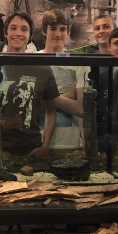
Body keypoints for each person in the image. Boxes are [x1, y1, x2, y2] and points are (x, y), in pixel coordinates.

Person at [0, 12, 59, 157]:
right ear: (5, 33)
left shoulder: (43, 69)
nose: (18, 33)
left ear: (30, 35)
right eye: (13, 28)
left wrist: (45, 146)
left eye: (24, 29)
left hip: (31, 150)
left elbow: (51, 111)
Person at [39, 9, 88, 152]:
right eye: (53, 29)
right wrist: (68, 96)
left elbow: (82, 109)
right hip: (35, 141)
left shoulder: (79, 63)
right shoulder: (31, 60)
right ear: (44, 31)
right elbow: (29, 103)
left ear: (68, 32)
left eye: (63, 29)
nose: (58, 34)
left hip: (70, 145)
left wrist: (46, 96)